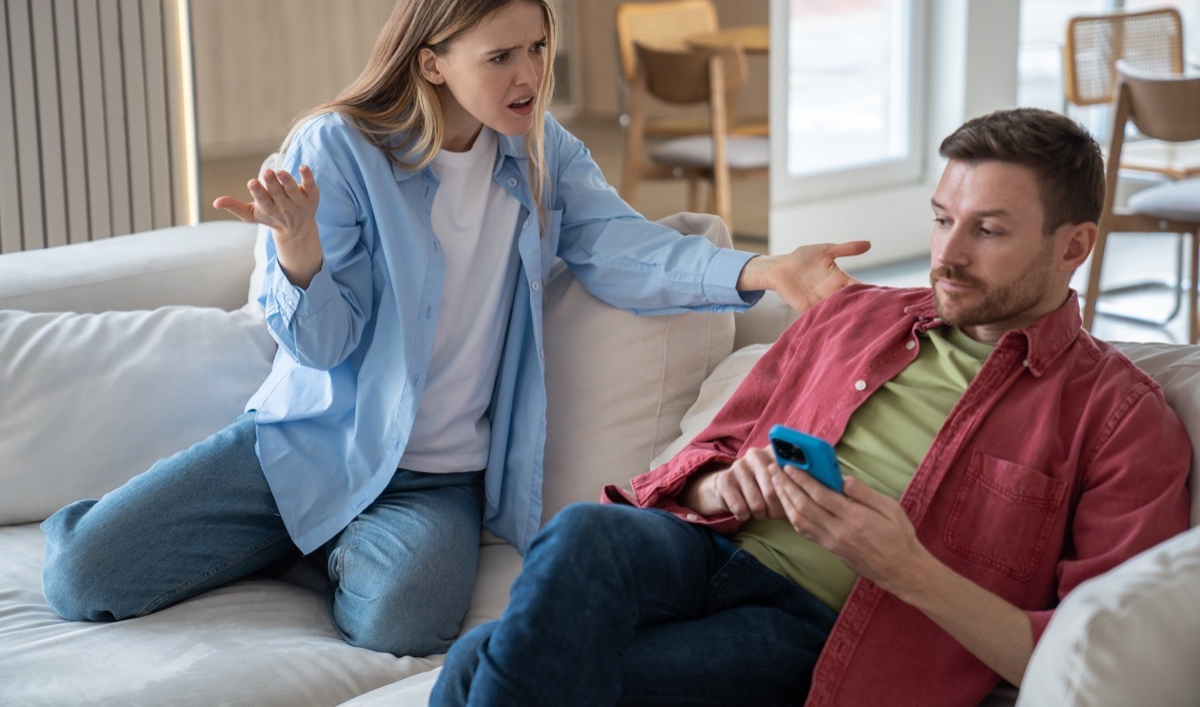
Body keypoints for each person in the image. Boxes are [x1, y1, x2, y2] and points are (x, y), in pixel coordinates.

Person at [37, 0, 866, 659]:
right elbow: (322, 350)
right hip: (309, 443)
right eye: (499, 55)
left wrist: (764, 269)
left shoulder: (545, 153)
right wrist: (298, 253)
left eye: (539, 48)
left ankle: (309, 543)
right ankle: (264, 524)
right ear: (432, 60)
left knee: (404, 623)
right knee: (84, 578)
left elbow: (625, 246)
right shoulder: (339, 150)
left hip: (434, 478)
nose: (530, 74)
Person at [431, 107, 1193, 706]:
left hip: (821, 628)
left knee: (478, 662)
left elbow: (1100, 656)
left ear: (1074, 246)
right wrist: (720, 486)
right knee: (584, 530)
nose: (947, 255)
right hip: (709, 550)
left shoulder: (1120, 418)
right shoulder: (856, 316)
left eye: (988, 231)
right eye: (941, 218)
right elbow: (702, 460)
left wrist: (904, 567)